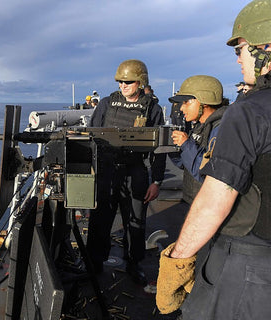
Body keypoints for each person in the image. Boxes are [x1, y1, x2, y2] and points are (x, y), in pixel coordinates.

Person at [156, 1, 271, 319]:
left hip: (249, 265)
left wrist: (178, 259)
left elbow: (215, 198)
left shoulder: (249, 111)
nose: (238, 58)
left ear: (265, 47)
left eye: (242, 48)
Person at [87, 59, 166, 285]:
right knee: (100, 219)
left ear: (140, 82)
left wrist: (157, 181)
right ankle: (95, 262)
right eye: (120, 81)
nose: (123, 85)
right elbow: (91, 136)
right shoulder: (106, 104)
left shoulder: (153, 108)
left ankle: (134, 263)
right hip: (107, 171)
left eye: (128, 82)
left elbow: (159, 148)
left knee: (137, 222)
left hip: (135, 171)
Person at [170, 75, 227, 200]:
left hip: (208, 204)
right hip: (192, 198)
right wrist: (169, 148)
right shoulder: (200, 126)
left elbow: (206, 172)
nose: (181, 108)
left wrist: (186, 144)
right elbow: (185, 164)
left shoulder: (221, 129)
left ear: (204, 101)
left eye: (186, 102)